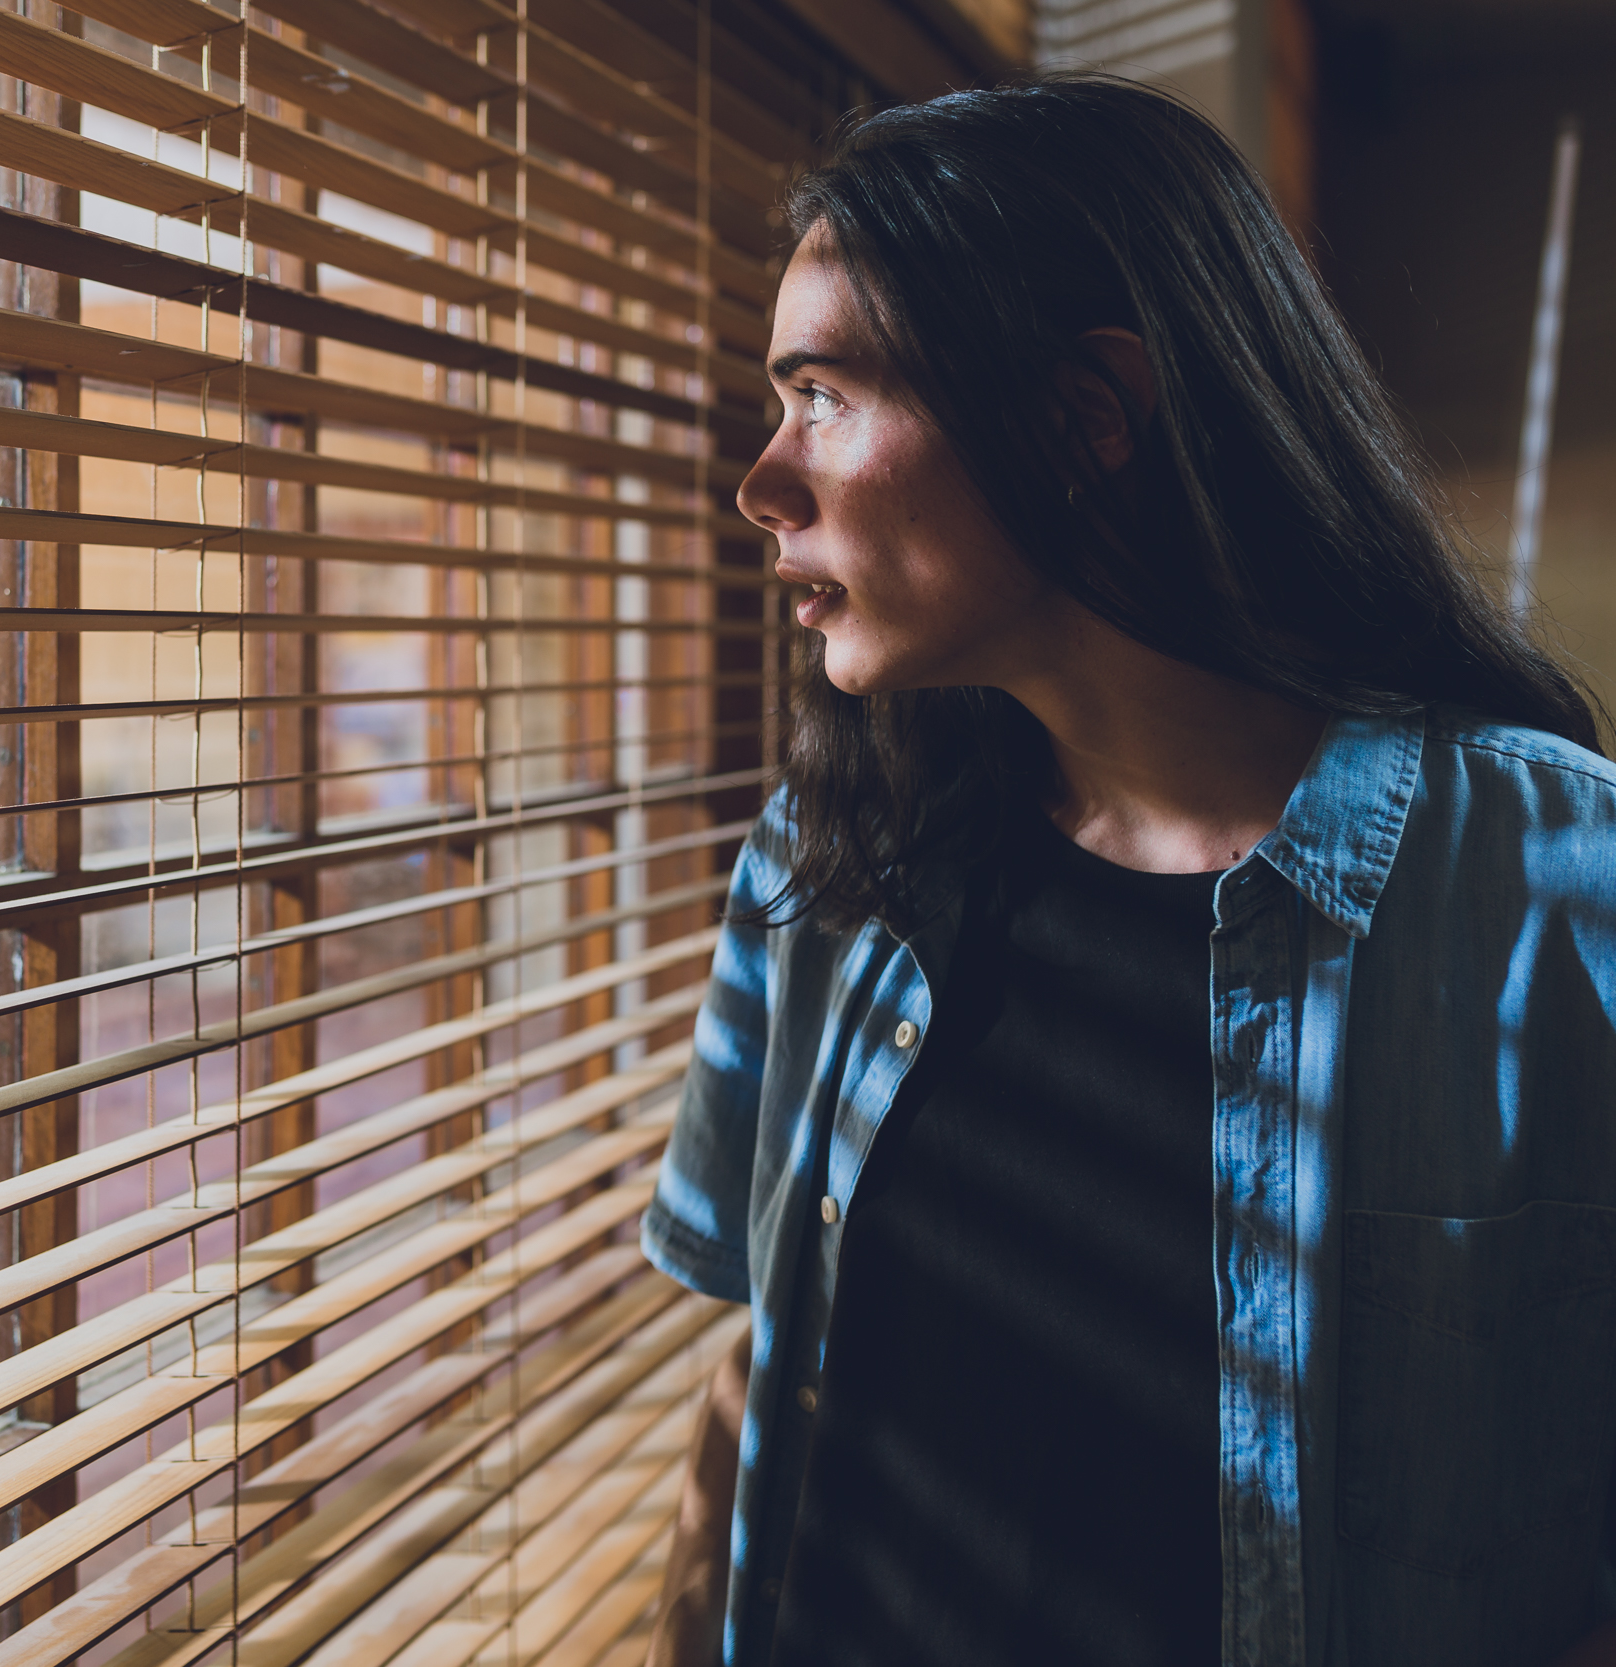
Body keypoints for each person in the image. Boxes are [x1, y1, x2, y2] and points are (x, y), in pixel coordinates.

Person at [639, 73, 1616, 1667]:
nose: (762, 481)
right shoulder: (831, 861)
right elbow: (764, 1375)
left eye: (823, 395)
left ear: (1084, 419)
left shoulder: (1563, 897)